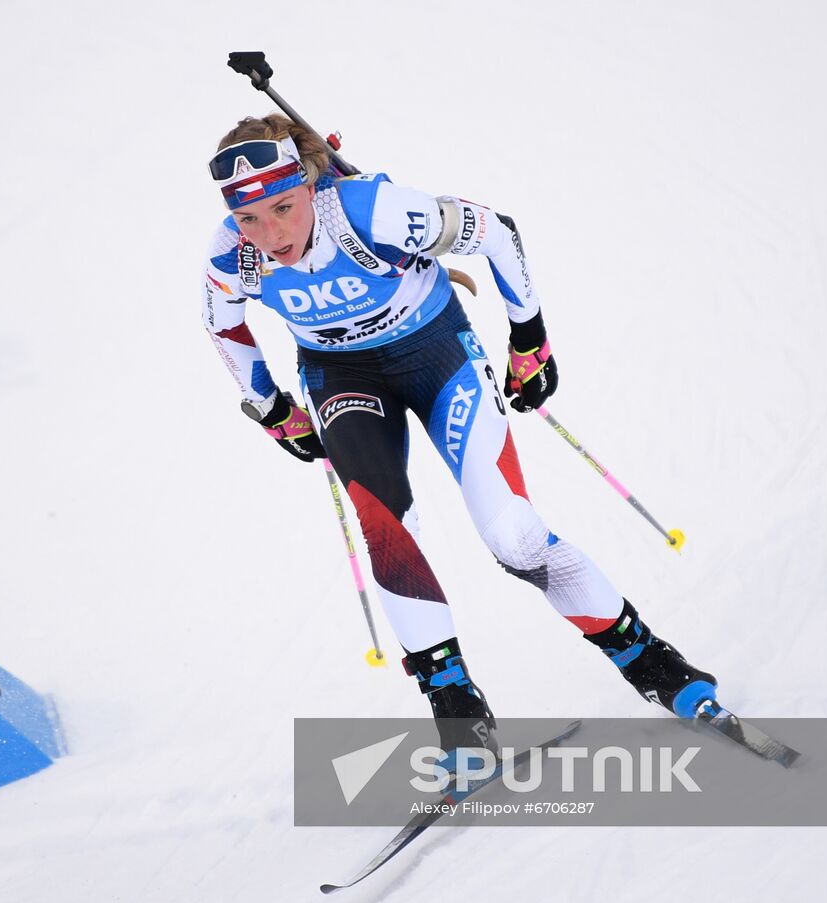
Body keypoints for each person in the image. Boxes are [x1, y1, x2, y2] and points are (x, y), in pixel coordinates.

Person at [201, 114, 718, 754]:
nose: (270, 233)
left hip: (438, 358)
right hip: (342, 379)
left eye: (282, 207)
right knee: (385, 531)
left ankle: (648, 662)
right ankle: (458, 717)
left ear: (309, 185)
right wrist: (272, 406)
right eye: (250, 218)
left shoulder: (371, 214)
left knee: (514, 535)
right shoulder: (234, 254)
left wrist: (529, 337)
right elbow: (223, 326)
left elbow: (497, 234)